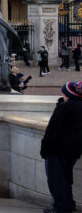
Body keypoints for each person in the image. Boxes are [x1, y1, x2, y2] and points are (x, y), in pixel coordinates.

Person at [41, 81, 82, 213]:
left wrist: (44, 149)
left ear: (69, 94)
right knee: (66, 180)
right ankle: (68, 205)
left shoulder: (64, 108)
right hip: (74, 150)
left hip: (57, 150)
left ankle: (61, 209)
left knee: (57, 181)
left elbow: (52, 130)